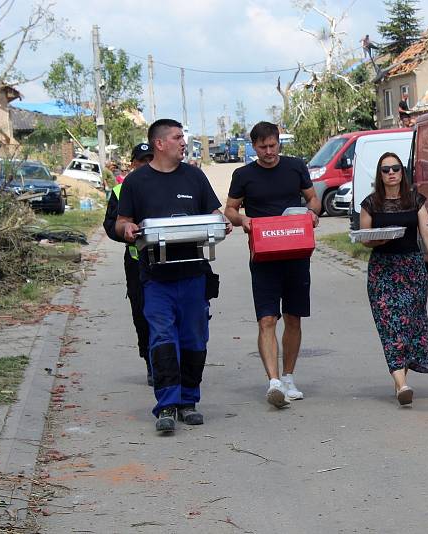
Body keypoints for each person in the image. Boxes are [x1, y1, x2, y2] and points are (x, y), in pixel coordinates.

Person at [116, 119, 232, 434]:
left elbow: (211, 213)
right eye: (178, 137)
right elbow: (121, 221)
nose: (184, 142)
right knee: (162, 339)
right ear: (160, 143)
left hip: (194, 273)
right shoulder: (136, 182)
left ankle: (188, 402)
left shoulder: (194, 176)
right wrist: (126, 228)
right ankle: (166, 405)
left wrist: (220, 222)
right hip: (156, 277)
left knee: (194, 339)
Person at [224, 121, 321, 409]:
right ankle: (274, 382)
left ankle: (289, 377)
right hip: (263, 255)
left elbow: (313, 198)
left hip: (296, 251)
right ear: (253, 147)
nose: (268, 151)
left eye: (273, 145)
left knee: (293, 317)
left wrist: (313, 214)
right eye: (262, 147)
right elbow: (230, 208)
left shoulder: (295, 167)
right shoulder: (243, 175)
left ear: (279, 142)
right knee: (267, 319)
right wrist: (243, 220)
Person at [359, 152, 428, 405]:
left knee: (408, 325)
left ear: (402, 171)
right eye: (385, 170)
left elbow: (427, 232)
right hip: (382, 271)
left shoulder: (414, 200)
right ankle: (402, 383)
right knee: (390, 325)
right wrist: (379, 239)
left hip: (411, 268)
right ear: (380, 174)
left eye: (395, 168)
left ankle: (400, 383)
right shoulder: (370, 203)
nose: (391, 173)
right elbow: (364, 237)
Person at [102, 143, 154, 386]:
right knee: (142, 314)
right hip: (136, 262)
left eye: (150, 159)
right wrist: (126, 232)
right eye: (141, 161)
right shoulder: (121, 190)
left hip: (169, 259)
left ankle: (171, 361)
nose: (145, 165)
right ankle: (151, 361)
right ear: (133, 164)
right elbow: (110, 224)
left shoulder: (166, 182)